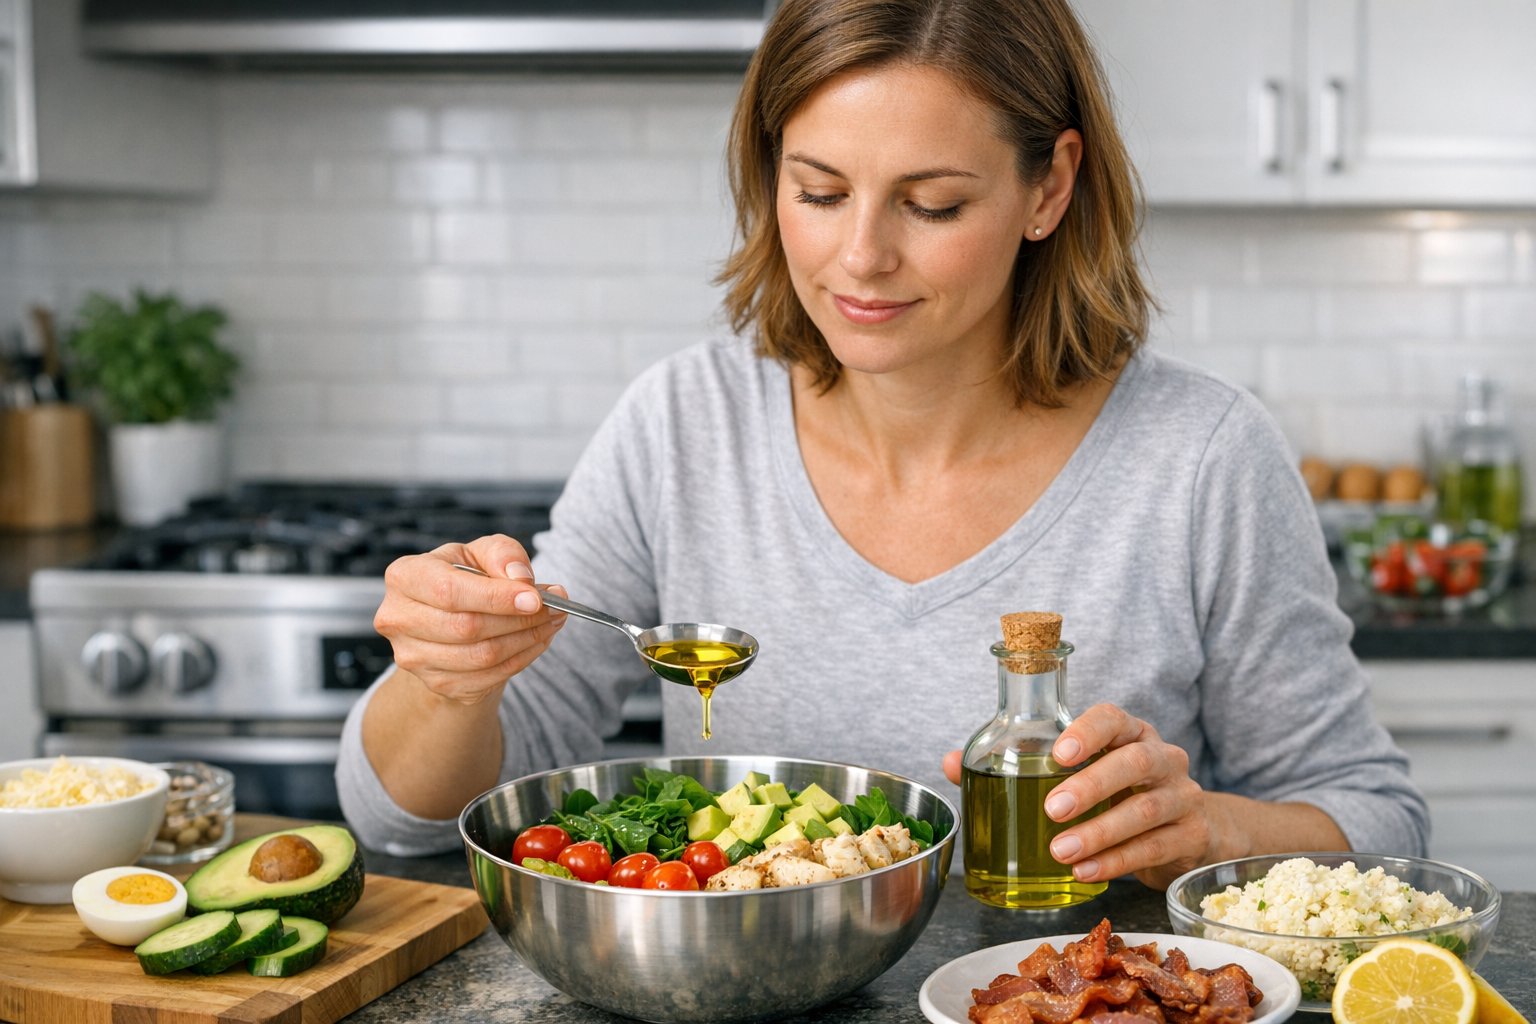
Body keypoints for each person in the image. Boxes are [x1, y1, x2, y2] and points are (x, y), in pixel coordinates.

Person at [337, 0, 1428, 885]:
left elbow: (1380, 820)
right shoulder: (683, 425)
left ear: (1048, 185)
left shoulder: (1201, 458)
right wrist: (447, 683)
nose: (859, 257)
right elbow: (405, 821)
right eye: (819, 191)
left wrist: (1212, 831)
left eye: (934, 205)